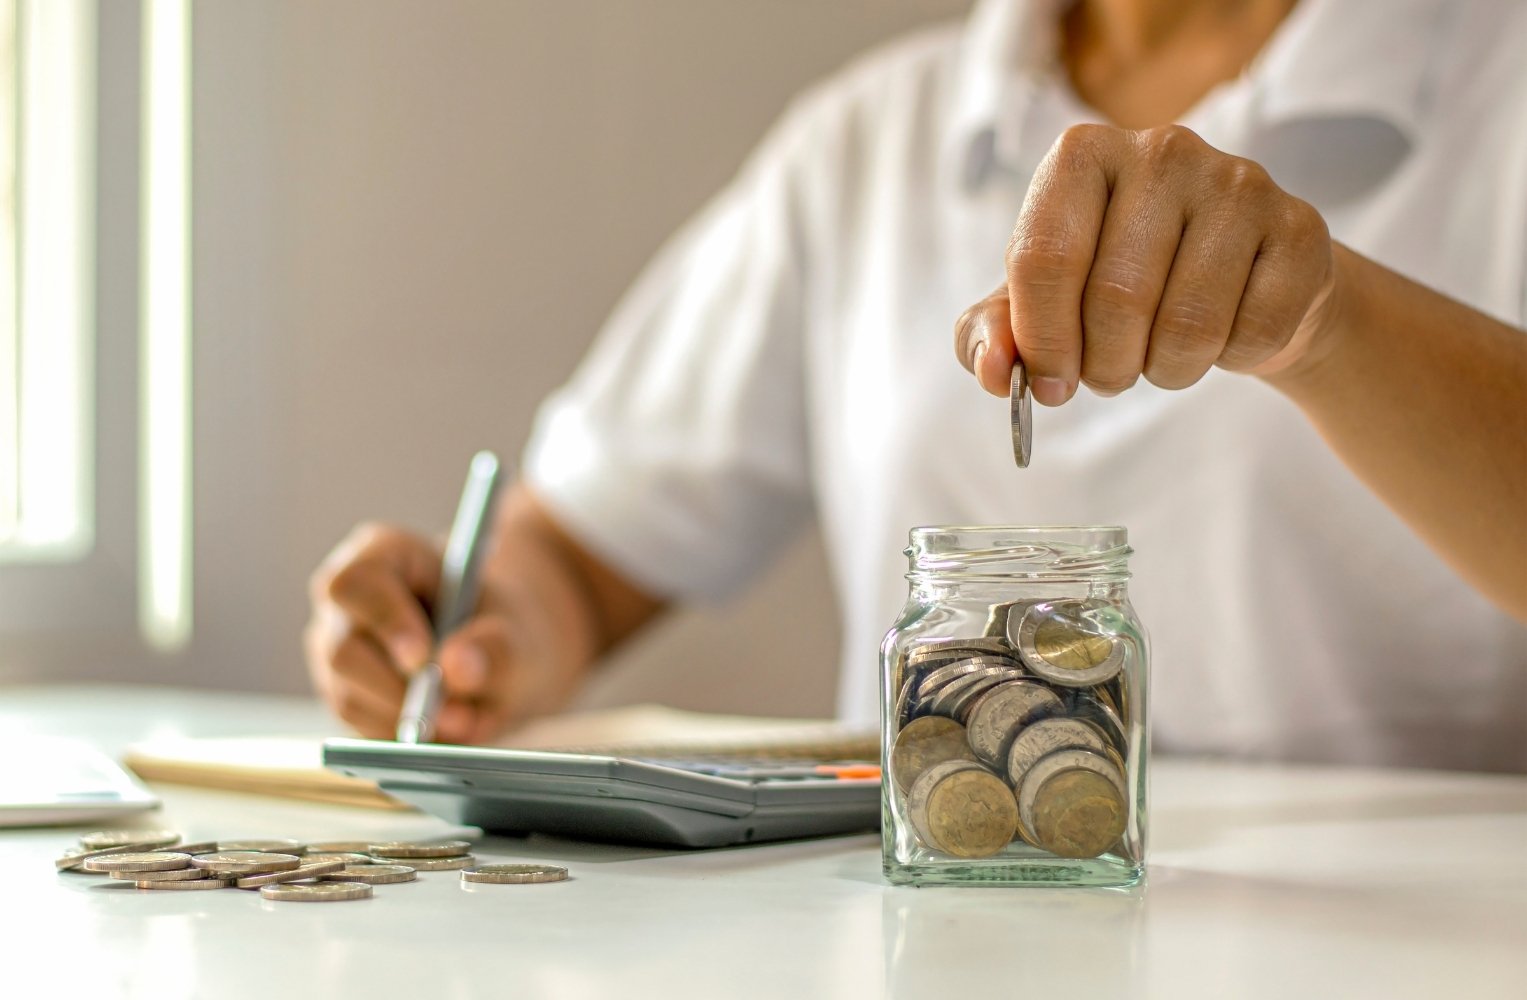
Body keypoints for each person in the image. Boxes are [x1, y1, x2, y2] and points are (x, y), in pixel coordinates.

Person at [304, 0, 1527, 771]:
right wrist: (478, 627)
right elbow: (576, 553)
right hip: (933, 938)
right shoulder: (865, 138)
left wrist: (1324, 321)